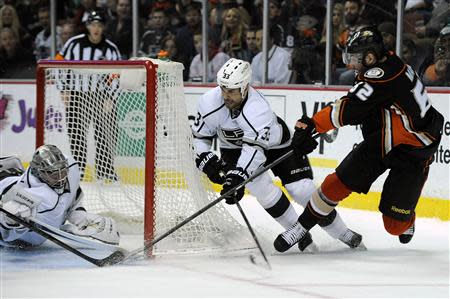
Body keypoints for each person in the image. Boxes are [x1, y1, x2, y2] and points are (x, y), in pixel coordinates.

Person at [275, 27, 444, 253]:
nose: (351, 65)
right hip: (384, 138)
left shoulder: (381, 78)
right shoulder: (390, 61)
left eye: (355, 59)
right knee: (335, 183)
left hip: (413, 151)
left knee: (395, 226)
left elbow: (348, 109)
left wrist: (312, 124)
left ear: (370, 57)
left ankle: (407, 217)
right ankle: (301, 227)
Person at [192, 58, 363, 252]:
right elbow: (199, 137)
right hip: (233, 149)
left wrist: (238, 174)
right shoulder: (208, 102)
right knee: (260, 188)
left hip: (278, 144)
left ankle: (343, 233)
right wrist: (204, 159)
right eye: (223, 89)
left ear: (245, 87)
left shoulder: (258, 109)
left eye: (231, 91)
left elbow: (255, 150)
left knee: (301, 189)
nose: (225, 96)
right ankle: (299, 234)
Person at [0, 145, 120, 248]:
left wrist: (78, 214)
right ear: (39, 173)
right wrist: (10, 221)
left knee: (12, 163)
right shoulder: (27, 193)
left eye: (62, 172)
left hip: (12, 172)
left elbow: (73, 194)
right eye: (54, 175)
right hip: (4, 185)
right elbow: (7, 235)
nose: (61, 178)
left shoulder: (71, 166)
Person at [55, 10, 121, 182]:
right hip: (77, 94)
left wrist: (111, 97)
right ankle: (79, 170)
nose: (96, 28)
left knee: (105, 133)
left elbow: (116, 75)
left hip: (101, 95)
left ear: (104, 27)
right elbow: (57, 64)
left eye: (99, 25)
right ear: (87, 26)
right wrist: (64, 89)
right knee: (76, 134)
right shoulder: (73, 44)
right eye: (92, 24)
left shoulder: (111, 49)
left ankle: (105, 171)